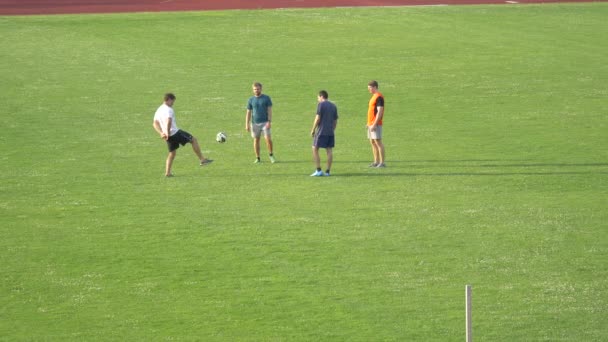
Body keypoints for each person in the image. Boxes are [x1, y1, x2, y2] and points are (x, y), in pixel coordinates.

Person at [153, 93, 212, 177]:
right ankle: (202, 159)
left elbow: (155, 123)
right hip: (174, 133)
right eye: (173, 101)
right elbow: (169, 120)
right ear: (169, 99)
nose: (173, 103)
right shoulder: (169, 109)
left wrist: (161, 133)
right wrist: (168, 132)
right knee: (193, 140)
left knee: (172, 153)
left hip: (167, 136)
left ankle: (168, 173)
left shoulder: (159, 110)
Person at [245, 82, 276, 163]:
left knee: (268, 139)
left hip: (265, 122)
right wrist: (247, 124)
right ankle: (258, 158)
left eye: (258, 89)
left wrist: (269, 121)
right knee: (256, 140)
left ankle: (271, 155)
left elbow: (269, 110)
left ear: (261, 89)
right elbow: (248, 112)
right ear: (253, 90)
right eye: (255, 89)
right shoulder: (251, 100)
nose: (256, 90)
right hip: (255, 123)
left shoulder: (266, 98)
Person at [310, 90, 338, 177]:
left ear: (321, 96)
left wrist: (313, 129)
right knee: (329, 150)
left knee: (314, 148)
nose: (318, 99)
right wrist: (332, 129)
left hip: (321, 131)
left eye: (318, 97)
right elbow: (335, 121)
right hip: (330, 132)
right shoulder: (333, 106)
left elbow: (318, 118)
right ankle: (328, 172)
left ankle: (318, 170)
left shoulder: (321, 105)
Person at [367, 80, 386, 168]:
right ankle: (376, 161)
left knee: (378, 142)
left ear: (375, 87)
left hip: (375, 124)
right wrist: (369, 123)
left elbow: (379, 111)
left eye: (370, 88)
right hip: (371, 123)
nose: (369, 90)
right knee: (372, 142)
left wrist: (374, 124)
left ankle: (382, 162)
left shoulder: (379, 97)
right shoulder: (374, 97)